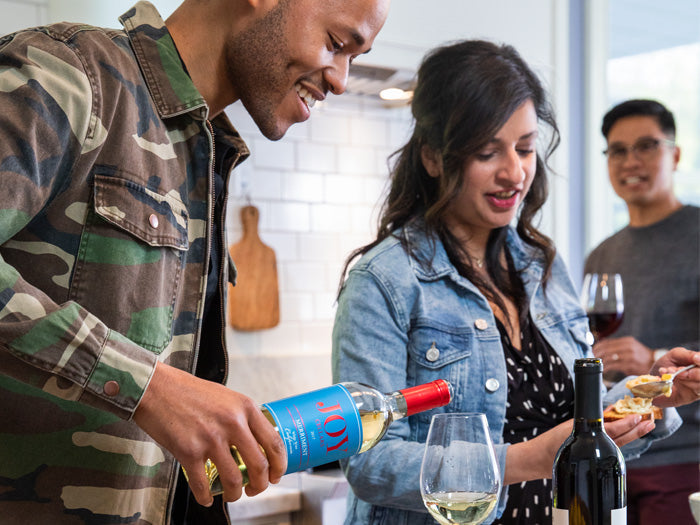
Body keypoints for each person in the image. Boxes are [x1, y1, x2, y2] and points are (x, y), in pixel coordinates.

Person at [0, 0, 390, 523]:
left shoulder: (209, 149)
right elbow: (157, 393)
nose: (341, 80)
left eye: (356, 59)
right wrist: (149, 388)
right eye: (337, 44)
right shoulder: (66, 74)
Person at [331, 40, 691, 525]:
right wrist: (529, 460)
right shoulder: (385, 280)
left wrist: (650, 392)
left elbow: (573, 420)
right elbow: (369, 463)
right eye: (486, 152)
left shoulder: (541, 265)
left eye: (525, 148)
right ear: (434, 158)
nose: (514, 172)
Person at [584, 99, 700, 524]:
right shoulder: (601, 255)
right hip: (614, 456)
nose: (631, 160)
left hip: (686, 463)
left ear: (676, 153)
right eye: (617, 150)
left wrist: (652, 359)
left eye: (647, 146)